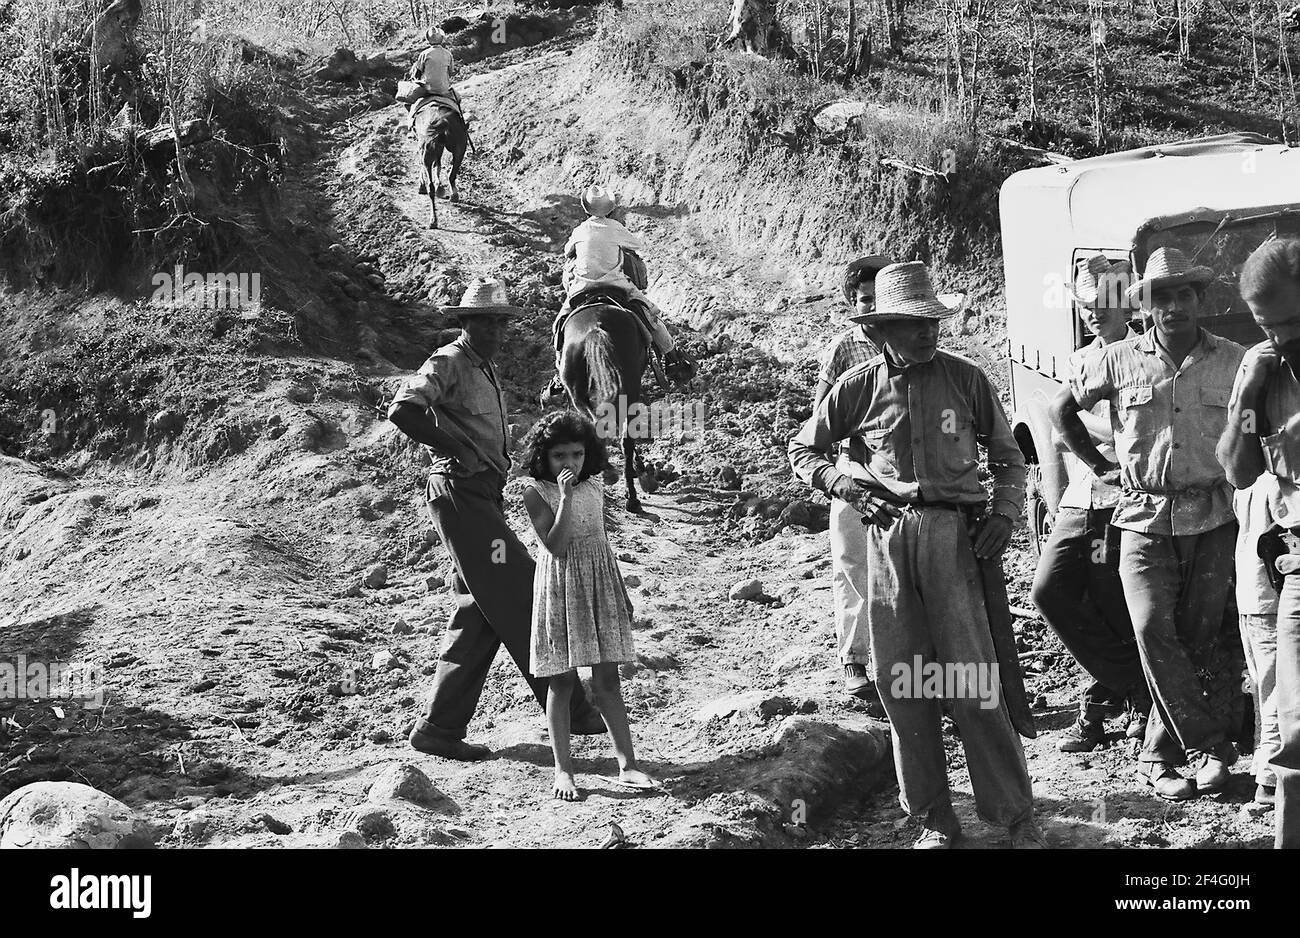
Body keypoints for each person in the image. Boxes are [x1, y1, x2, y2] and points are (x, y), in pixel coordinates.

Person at [789, 261, 1045, 849]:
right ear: (880, 331)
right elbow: (805, 451)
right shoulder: (854, 388)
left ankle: (1013, 817)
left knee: (974, 681)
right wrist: (847, 487)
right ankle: (932, 819)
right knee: (904, 682)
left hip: (958, 540)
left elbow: (1009, 457)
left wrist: (1005, 513)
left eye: (931, 321)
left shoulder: (967, 379)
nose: (926, 333)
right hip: (888, 539)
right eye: (910, 324)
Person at [1052, 246, 1245, 801]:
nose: (1176, 306)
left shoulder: (1232, 359)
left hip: (1212, 517)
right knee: (1150, 627)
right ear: (1146, 305)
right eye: (1163, 297)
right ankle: (1208, 747)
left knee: (1198, 635)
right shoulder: (1116, 358)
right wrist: (1097, 465)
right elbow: (1061, 410)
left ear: (1199, 299)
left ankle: (1157, 755)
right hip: (1141, 516)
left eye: (1185, 294)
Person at [387, 278, 607, 761]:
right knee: (524, 588)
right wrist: (455, 446)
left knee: (480, 613)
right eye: (484, 324)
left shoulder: (482, 367)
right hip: (459, 496)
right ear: (465, 323)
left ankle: (439, 729)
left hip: (480, 497)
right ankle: (575, 709)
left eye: (500, 324)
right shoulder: (449, 361)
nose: (494, 333)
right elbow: (402, 409)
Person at [1031, 255, 1152, 752]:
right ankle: (1134, 689)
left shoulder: (1145, 354)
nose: (1093, 313)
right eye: (1084, 305)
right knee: (1049, 589)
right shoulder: (1083, 359)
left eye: (1104, 303)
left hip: (1128, 502)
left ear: (1127, 303)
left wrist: (1108, 453)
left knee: (1115, 601)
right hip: (1085, 498)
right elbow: (1060, 420)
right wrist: (1097, 460)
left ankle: (1132, 704)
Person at [521, 411, 659, 801]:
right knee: (562, 682)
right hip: (561, 586)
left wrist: (620, 593)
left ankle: (627, 765)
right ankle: (564, 771)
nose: (570, 464)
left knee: (607, 681)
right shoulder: (536, 491)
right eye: (560, 456)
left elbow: (601, 542)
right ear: (544, 457)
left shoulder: (596, 483)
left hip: (599, 582)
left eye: (577, 455)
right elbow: (556, 544)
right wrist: (564, 496)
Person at [1217, 236, 1300, 847]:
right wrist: (1249, 395)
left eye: (1291, 321)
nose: (1278, 336)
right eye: (1264, 325)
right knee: (1294, 723)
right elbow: (1240, 470)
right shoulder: (1262, 366)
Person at [813, 254, 891, 706]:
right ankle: (855, 662)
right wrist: (833, 470)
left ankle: (912, 668)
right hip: (856, 466)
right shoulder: (845, 349)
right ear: (851, 301)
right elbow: (820, 413)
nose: (872, 308)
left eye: (879, 299)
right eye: (864, 300)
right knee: (853, 565)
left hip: (906, 471)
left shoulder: (912, 342)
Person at [542, 185, 692, 400]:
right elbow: (636, 244)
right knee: (651, 316)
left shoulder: (579, 230)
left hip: (581, 289)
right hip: (616, 285)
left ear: (586, 209)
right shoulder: (616, 227)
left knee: (559, 325)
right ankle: (672, 358)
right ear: (611, 209)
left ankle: (559, 373)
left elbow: (568, 252)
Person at [1232, 472, 1283, 809]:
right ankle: (1269, 780)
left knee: (1270, 689)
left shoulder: (1252, 467)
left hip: (1256, 595)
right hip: (1270, 596)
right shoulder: (1276, 477)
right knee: (1279, 689)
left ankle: (1266, 775)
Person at [407, 27, 460, 138]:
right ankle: (462, 124)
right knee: (458, 100)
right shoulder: (448, 54)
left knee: (413, 105)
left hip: (427, 90)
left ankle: (411, 128)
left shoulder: (424, 54)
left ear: (428, 39)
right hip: (444, 90)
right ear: (442, 39)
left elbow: (418, 72)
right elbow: (451, 72)